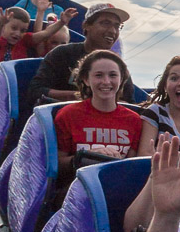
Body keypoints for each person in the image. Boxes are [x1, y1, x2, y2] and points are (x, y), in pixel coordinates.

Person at [53, 51, 142, 197]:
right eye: (99, 75)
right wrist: (87, 157)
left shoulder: (134, 120)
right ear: (86, 79)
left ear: (122, 79)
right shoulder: (67, 115)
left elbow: (132, 166)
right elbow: (56, 164)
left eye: (113, 75)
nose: (106, 81)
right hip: (76, 191)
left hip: (119, 191)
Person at [26, 3, 136, 105]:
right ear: (86, 25)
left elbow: (129, 102)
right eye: (106, 23)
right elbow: (36, 90)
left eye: (117, 26)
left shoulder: (118, 65)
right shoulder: (62, 53)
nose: (113, 31)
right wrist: (80, 97)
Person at [0, 5, 77, 65]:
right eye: (14, 28)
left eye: (23, 30)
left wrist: (61, 22)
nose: (18, 33)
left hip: (18, 75)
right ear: (4, 27)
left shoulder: (24, 40)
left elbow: (45, 34)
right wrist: (0, 25)